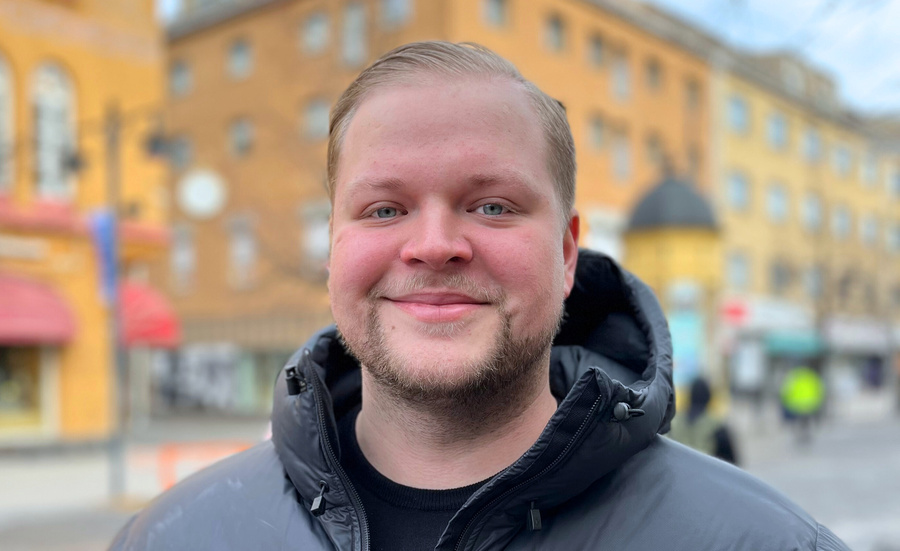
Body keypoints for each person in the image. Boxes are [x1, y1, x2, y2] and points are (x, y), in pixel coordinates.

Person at [110, 42, 848, 551]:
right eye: (384, 209)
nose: (434, 244)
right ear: (333, 249)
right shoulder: (171, 538)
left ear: (566, 253)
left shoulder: (764, 542)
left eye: (492, 206)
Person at [671, 376, 739, 464]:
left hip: (677, 469)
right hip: (706, 470)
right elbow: (731, 463)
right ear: (709, 396)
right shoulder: (717, 425)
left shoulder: (675, 421)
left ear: (690, 396)